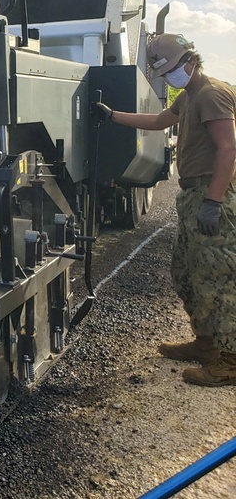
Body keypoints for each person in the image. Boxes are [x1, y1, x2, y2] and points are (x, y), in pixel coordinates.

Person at [96, 33, 236, 386]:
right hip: (195, 196)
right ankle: (206, 345)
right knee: (187, 272)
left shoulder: (212, 94)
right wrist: (113, 116)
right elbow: (159, 122)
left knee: (218, 279)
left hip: (212, 195)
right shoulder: (189, 96)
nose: (171, 77)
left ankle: (230, 362)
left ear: (191, 61)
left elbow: (228, 149)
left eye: (172, 69)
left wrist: (214, 201)